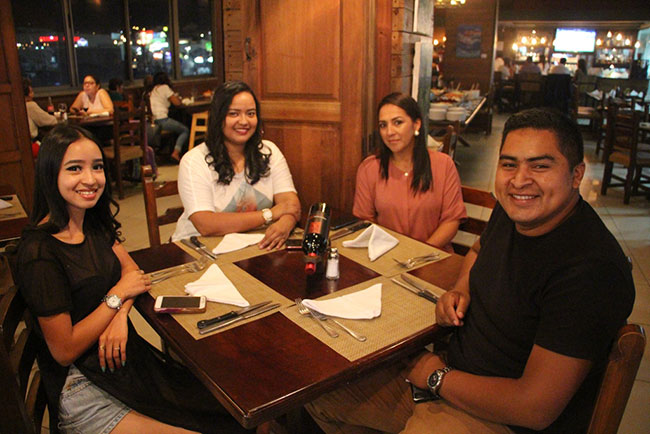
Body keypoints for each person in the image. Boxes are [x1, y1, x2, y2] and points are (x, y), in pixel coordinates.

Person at [305, 108, 635, 433]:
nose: (520, 180)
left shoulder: (590, 270)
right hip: (453, 377)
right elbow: (478, 249)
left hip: (502, 418)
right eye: (509, 164)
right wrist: (461, 287)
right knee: (319, 391)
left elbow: (534, 408)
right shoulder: (513, 211)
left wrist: (435, 376)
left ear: (576, 175)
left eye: (540, 165)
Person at [16, 125, 250, 434]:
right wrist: (115, 299)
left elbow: (132, 274)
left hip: (121, 366)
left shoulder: (91, 224)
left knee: (233, 411)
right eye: (75, 168)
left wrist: (119, 313)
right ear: (50, 174)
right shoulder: (39, 253)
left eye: (97, 167)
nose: (91, 179)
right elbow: (64, 349)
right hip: (83, 388)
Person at [171, 81, 301, 250]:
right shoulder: (194, 161)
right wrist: (270, 214)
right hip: (199, 247)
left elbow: (291, 204)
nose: (244, 121)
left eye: (251, 113)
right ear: (218, 117)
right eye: (233, 114)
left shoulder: (269, 151)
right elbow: (205, 224)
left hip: (254, 245)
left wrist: (286, 222)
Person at [352, 92, 466, 252]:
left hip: (433, 255)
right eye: (383, 125)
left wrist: (419, 254)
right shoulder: (369, 169)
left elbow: (451, 220)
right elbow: (365, 221)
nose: (389, 132)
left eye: (397, 122)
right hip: (386, 257)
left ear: (416, 125)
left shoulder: (443, 165)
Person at [149, 71, 189, 161]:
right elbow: (177, 103)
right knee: (185, 130)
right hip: (162, 120)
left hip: (153, 121)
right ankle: (176, 152)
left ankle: (168, 151)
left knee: (176, 127)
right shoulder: (165, 88)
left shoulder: (153, 90)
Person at [23, 77, 57, 141]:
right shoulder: (30, 105)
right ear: (27, 95)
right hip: (31, 142)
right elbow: (51, 121)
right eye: (31, 92)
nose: (33, 94)